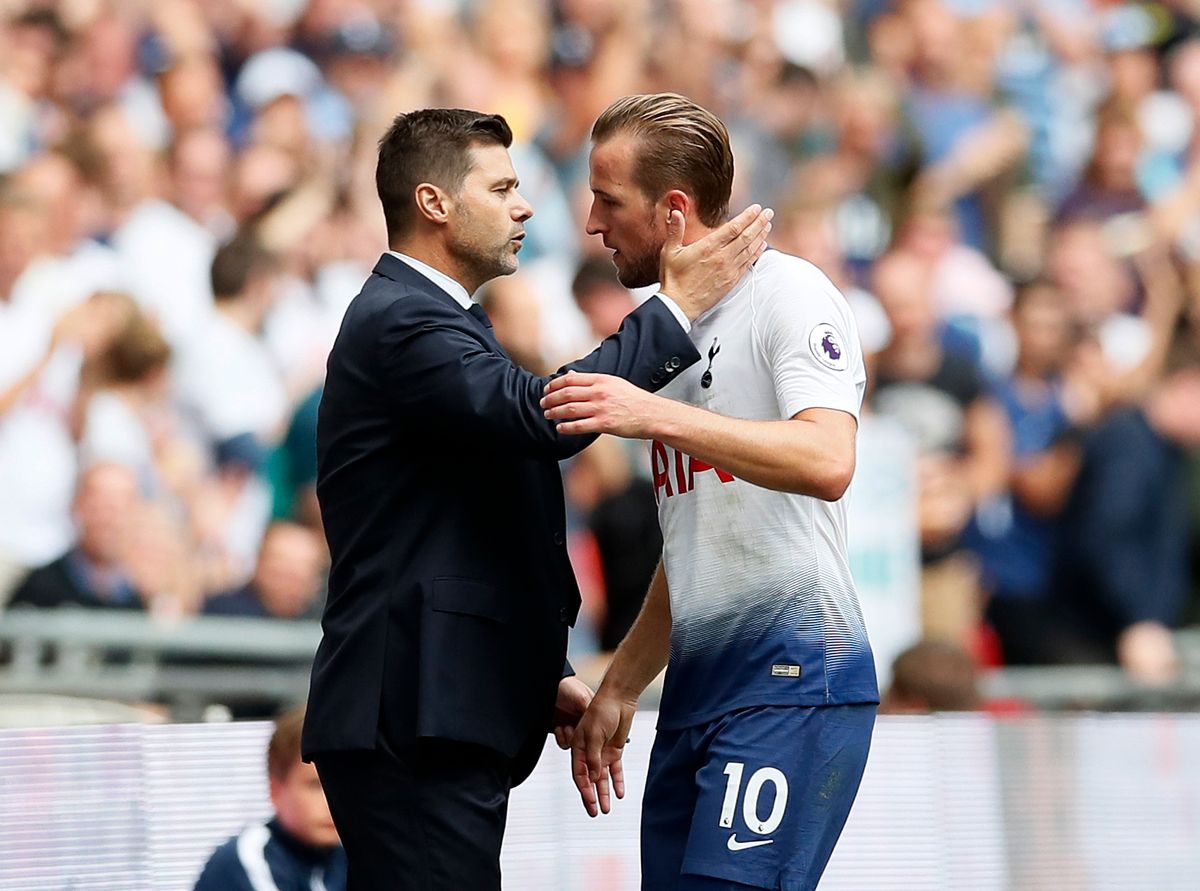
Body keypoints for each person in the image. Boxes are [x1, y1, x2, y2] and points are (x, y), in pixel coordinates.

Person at [301, 107, 771, 891]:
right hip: (411, 715)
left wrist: (536, 668)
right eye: (504, 187)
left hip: (436, 709)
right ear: (434, 204)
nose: (526, 207)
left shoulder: (442, 323)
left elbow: (463, 527)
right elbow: (537, 416)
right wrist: (675, 309)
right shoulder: (401, 320)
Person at [542, 93, 877, 891]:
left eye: (608, 199)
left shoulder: (788, 294)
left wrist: (651, 411)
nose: (591, 221)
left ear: (674, 210)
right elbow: (698, 540)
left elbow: (830, 457)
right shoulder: (672, 331)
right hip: (699, 692)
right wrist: (622, 684)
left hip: (795, 680)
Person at [193, 706, 346, 891]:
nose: (334, 802)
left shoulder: (353, 855)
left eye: (344, 787)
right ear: (275, 791)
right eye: (315, 785)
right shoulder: (246, 858)